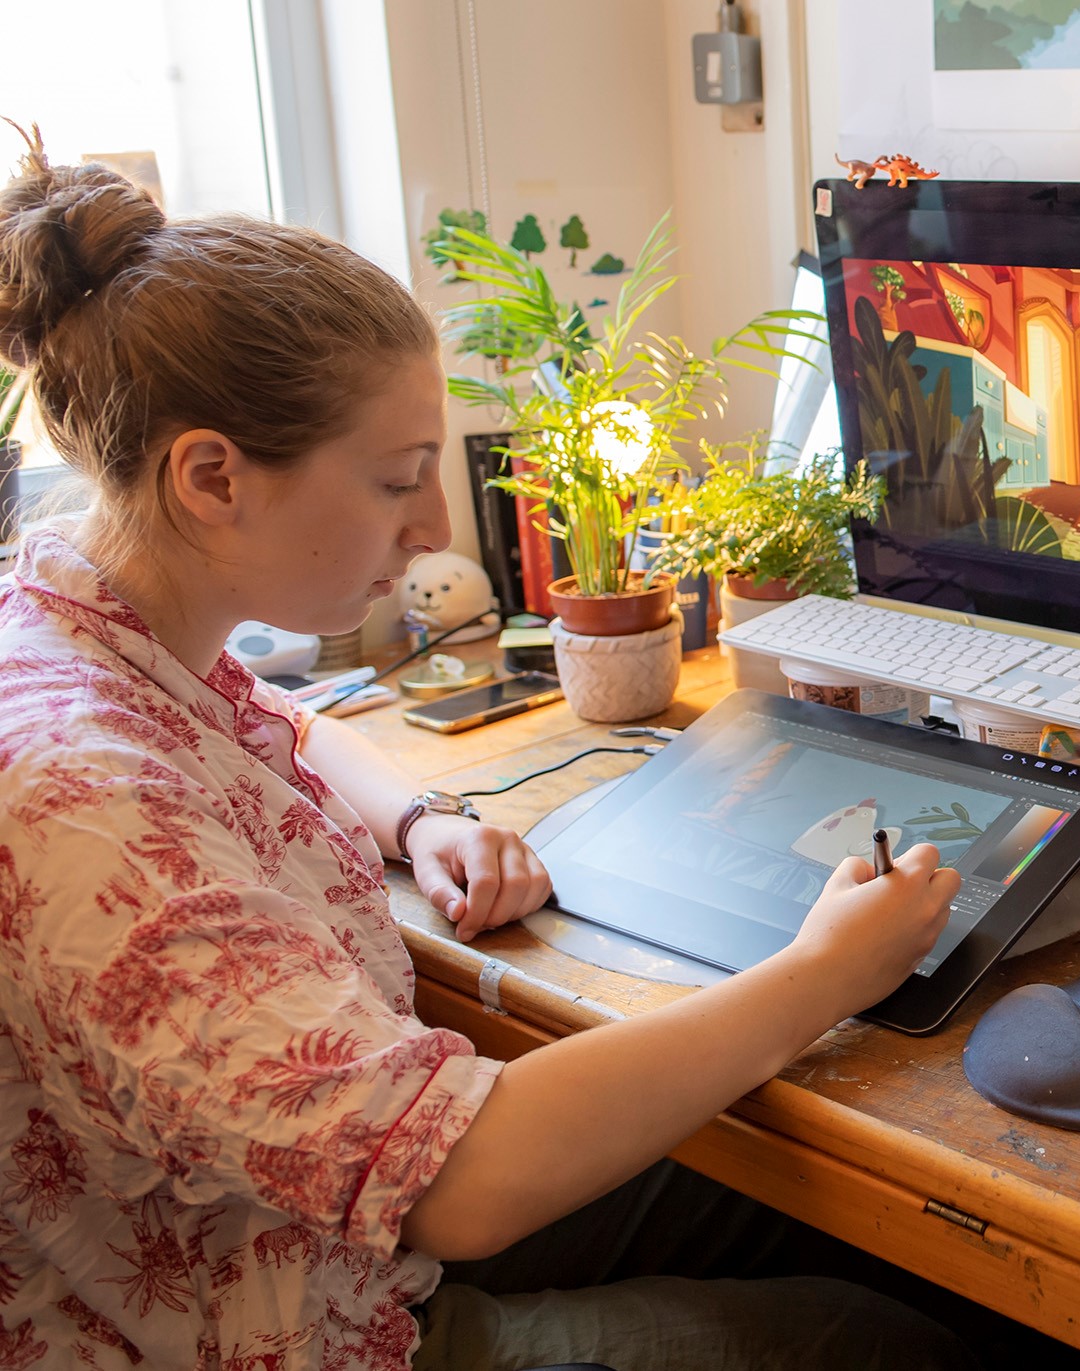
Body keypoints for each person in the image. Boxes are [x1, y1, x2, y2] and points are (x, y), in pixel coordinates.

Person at [0, 129, 972, 1371]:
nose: (434, 524)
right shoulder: (91, 814)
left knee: (825, 1206)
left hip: (312, 1236)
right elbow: (459, 1181)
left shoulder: (84, 623)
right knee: (877, 1341)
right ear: (211, 476)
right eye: (399, 478)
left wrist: (420, 822)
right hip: (299, 1326)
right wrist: (826, 972)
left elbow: (277, 723)